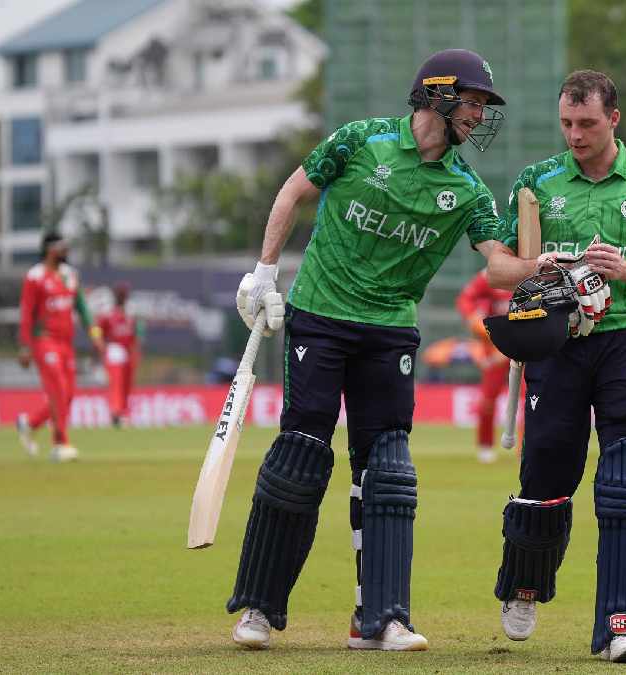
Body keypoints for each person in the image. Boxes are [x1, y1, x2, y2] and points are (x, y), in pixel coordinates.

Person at [226, 48, 510, 651]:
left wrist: (547, 267)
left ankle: (380, 619)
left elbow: (501, 265)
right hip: (322, 318)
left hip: (388, 331)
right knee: (300, 457)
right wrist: (265, 273)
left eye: (485, 107)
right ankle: (257, 608)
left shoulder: (466, 190)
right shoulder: (361, 141)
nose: (480, 117)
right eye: (474, 102)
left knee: (387, 470)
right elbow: (292, 193)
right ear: (438, 94)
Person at [484, 70, 626, 664]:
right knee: (546, 475)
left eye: (586, 124)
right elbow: (497, 271)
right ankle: (525, 584)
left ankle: (622, 626)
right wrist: (539, 266)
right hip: (557, 342)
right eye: (566, 124)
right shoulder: (536, 182)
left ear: (614, 120)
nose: (574, 135)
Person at [15, 231, 103, 462]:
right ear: (49, 249)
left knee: (69, 395)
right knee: (57, 389)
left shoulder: (70, 275)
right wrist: (24, 346)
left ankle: (29, 424)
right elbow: (26, 314)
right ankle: (60, 444)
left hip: (66, 343)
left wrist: (94, 333)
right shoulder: (35, 277)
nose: (66, 251)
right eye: (61, 247)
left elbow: (82, 308)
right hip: (44, 340)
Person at [455, 269, 513, 463]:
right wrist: (474, 319)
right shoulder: (492, 273)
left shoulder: (534, 271)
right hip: (495, 345)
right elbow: (466, 299)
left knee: (534, 398)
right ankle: (485, 446)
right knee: (488, 398)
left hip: (527, 343)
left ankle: (527, 447)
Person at [96, 282, 142, 428]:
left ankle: (124, 413)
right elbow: (98, 329)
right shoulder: (108, 312)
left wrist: (135, 351)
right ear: (116, 296)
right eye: (120, 294)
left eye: (124, 294)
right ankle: (115, 412)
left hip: (128, 350)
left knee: (127, 384)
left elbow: (136, 333)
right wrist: (100, 344)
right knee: (116, 382)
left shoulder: (130, 313)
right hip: (114, 349)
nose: (123, 297)